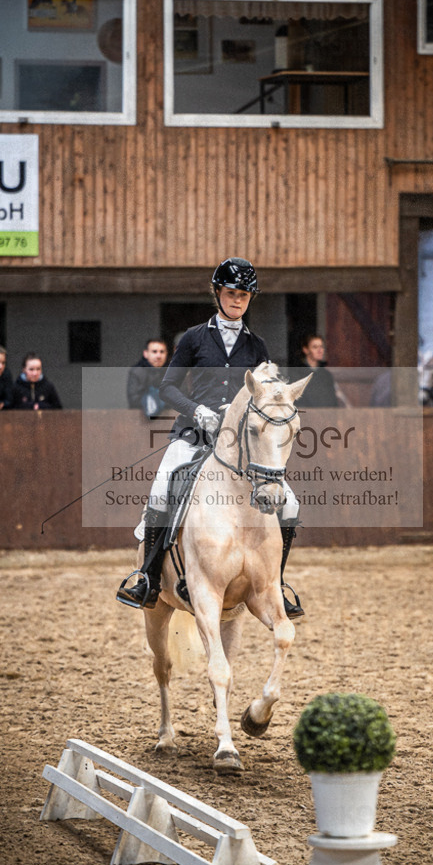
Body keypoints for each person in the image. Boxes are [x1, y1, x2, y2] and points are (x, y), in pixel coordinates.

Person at [117, 256, 304, 617]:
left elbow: (265, 396)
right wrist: (197, 411)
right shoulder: (194, 338)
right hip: (192, 433)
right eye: (231, 293)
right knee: (162, 487)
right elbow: (168, 388)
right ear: (217, 293)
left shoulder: (257, 347)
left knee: (290, 503)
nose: (237, 301)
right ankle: (149, 579)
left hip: (239, 446)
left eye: (244, 296)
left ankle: (276, 583)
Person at [292, 333, 342, 408]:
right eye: (315, 347)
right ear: (306, 350)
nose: (320, 350)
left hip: (326, 416)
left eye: (321, 347)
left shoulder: (326, 375)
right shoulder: (297, 374)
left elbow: (333, 402)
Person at [126, 338, 169, 416]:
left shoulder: (172, 372)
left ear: (166, 354)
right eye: (154, 351)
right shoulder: (137, 372)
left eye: (162, 352)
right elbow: (133, 400)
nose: (158, 356)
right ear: (145, 353)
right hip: (140, 421)